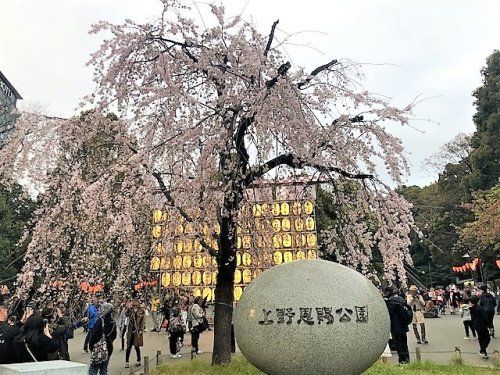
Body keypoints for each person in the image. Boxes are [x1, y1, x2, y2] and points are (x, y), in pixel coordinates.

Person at [384, 286, 410, 364]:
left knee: (399, 343)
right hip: (404, 325)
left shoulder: (390, 301)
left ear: (388, 292)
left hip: (396, 326)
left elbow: (390, 314)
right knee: (404, 343)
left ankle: (402, 360)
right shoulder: (400, 298)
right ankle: (407, 359)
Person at [89, 302, 117, 375]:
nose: (100, 310)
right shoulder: (113, 322)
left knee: (93, 370)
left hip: (98, 349)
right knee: (104, 369)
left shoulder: (101, 321)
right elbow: (114, 336)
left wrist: (91, 346)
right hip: (108, 348)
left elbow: (94, 336)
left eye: (102, 309)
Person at [125, 299, 145, 368]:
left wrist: (141, 329)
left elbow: (142, 321)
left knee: (137, 346)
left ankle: (138, 360)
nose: (134, 303)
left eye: (136, 302)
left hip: (137, 330)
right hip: (131, 330)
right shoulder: (130, 310)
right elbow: (126, 314)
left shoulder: (141, 311)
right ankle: (126, 361)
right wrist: (127, 308)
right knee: (128, 346)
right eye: (133, 302)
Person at [470, 295, 491, 359]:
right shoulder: (480, 308)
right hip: (482, 325)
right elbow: (485, 317)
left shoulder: (472, 309)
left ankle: (484, 352)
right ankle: (482, 350)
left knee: (481, 338)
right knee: (487, 338)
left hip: (476, 325)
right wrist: (489, 325)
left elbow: (472, 318)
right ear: (478, 301)